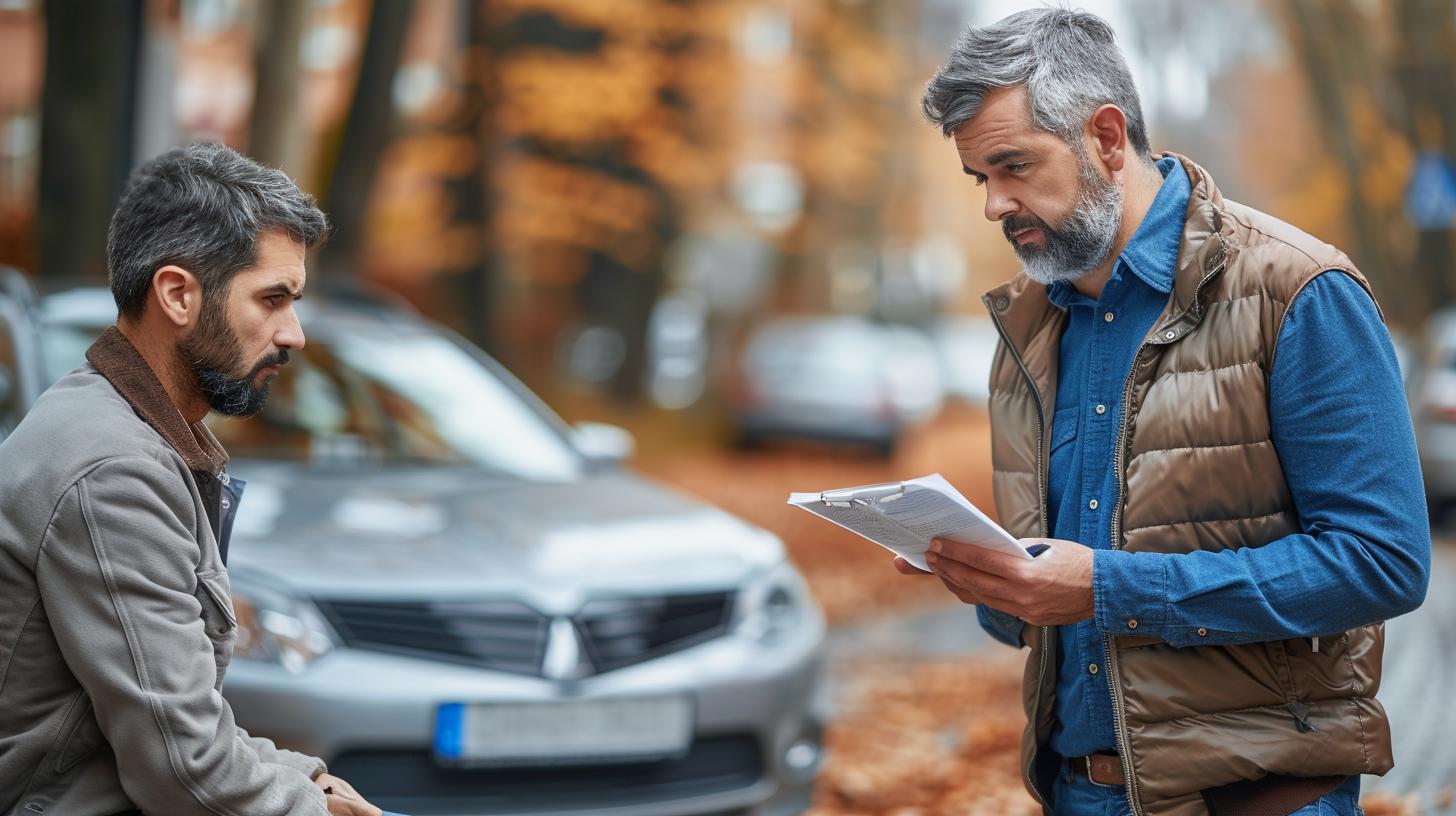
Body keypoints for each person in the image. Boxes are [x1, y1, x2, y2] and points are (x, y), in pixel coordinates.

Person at [900, 9, 1430, 816]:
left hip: (1261, 797)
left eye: (1012, 166)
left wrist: (1110, 589)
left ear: (1108, 139)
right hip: (1077, 792)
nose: (993, 205)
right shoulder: (1030, 327)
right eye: (981, 178)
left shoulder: (1298, 293)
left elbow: (1382, 562)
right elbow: (1052, 609)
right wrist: (990, 577)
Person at [0, 143, 384, 816]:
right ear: (177, 294)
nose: (292, 334)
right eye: (272, 299)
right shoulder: (115, 469)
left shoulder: (112, 422)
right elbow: (187, 773)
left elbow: (175, 720)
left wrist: (305, 779)